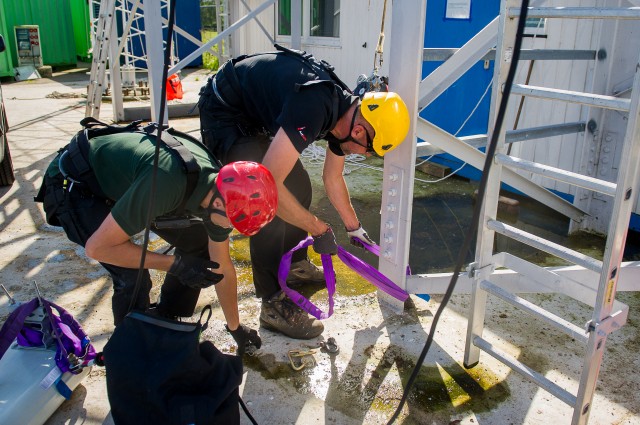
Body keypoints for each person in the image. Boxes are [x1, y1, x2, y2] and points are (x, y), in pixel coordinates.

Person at [197, 45, 410, 340]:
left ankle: (294, 265)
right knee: (263, 204)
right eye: (367, 151)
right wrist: (317, 228)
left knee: (300, 186)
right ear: (360, 132)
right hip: (225, 111)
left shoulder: (346, 115)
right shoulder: (315, 108)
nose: (361, 154)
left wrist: (354, 228)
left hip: (253, 113)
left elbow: (332, 177)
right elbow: (267, 186)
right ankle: (271, 302)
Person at [36, 124, 278, 354]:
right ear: (218, 204)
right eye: (234, 223)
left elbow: (221, 267)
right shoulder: (166, 183)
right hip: (74, 185)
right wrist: (175, 265)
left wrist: (235, 328)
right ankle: (132, 352)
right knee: (133, 275)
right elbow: (98, 248)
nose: (231, 230)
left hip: (130, 183)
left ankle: (167, 318)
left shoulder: (221, 191)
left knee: (199, 247)